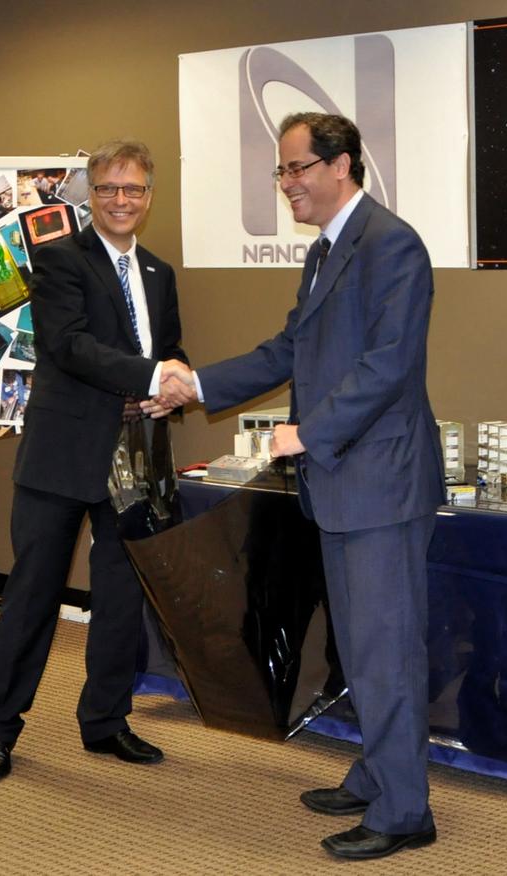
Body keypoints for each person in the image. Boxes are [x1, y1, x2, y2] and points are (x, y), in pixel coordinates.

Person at [151, 112, 444, 861]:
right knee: (362, 645)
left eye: (296, 168)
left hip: (380, 487)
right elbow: (290, 348)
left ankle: (405, 811)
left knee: (385, 650)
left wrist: (308, 433)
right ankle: (379, 775)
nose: (286, 183)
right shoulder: (327, 252)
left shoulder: (392, 244)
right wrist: (199, 385)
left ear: (340, 165)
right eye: (281, 171)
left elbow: (388, 365)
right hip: (345, 488)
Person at [0, 140, 187, 781]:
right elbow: (69, 346)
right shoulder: (59, 260)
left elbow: (171, 348)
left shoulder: (158, 273)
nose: (122, 200)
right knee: (32, 596)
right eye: (108, 189)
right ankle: (0, 730)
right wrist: (152, 377)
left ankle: (105, 722)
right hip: (62, 455)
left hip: (136, 453)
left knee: (121, 597)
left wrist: (169, 391)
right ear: (89, 195)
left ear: (149, 196)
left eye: (134, 189)